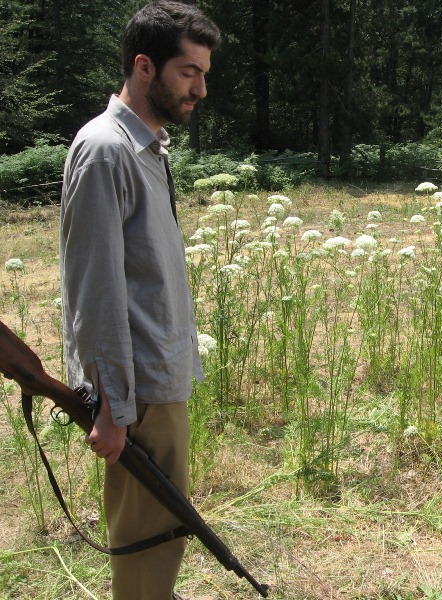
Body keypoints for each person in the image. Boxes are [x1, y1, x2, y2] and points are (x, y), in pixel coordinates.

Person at [59, 2, 221, 598]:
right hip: (138, 389)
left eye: (203, 74)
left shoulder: (146, 146)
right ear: (144, 66)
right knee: (145, 538)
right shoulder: (107, 150)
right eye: (188, 72)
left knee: (162, 531)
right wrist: (112, 405)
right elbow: (95, 290)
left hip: (156, 378)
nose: (200, 89)